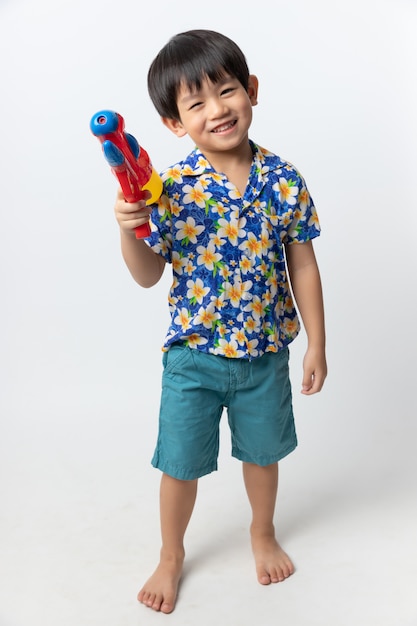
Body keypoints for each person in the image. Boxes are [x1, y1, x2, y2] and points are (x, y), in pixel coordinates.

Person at [113, 29, 327, 614]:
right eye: (196, 103)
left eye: (227, 91)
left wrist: (316, 344)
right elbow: (147, 274)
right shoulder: (172, 191)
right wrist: (128, 224)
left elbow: (303, 264)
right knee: (179, 463)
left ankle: (261, 532)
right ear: (174, 123)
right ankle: (170, 553)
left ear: (251, 91)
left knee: (264, 455)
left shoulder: (284, 179)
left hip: (264, 356)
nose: (217, 110)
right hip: (194, 358)